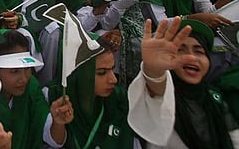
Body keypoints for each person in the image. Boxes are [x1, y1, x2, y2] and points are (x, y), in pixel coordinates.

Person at [46, 17, 190, 148]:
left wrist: (154, 73)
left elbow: (154, 109)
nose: (113, 79)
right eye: (102, 73)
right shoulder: (54, 96)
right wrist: (58, 123)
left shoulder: (119, 98)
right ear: (78, 74)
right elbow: (54, 141)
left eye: (112, 70)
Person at [129, 19, 239, 148]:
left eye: (199, 51)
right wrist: (153, 69)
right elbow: (156, 87)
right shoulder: (162, 94)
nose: (191, 57)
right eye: (180, 50)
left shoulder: (214, 97)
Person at [0, 30, 73, 148]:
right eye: (15, 71)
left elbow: (54, 139)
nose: (24, 79)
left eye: (27, 69)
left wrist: (57, 123)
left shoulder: (31, 86)